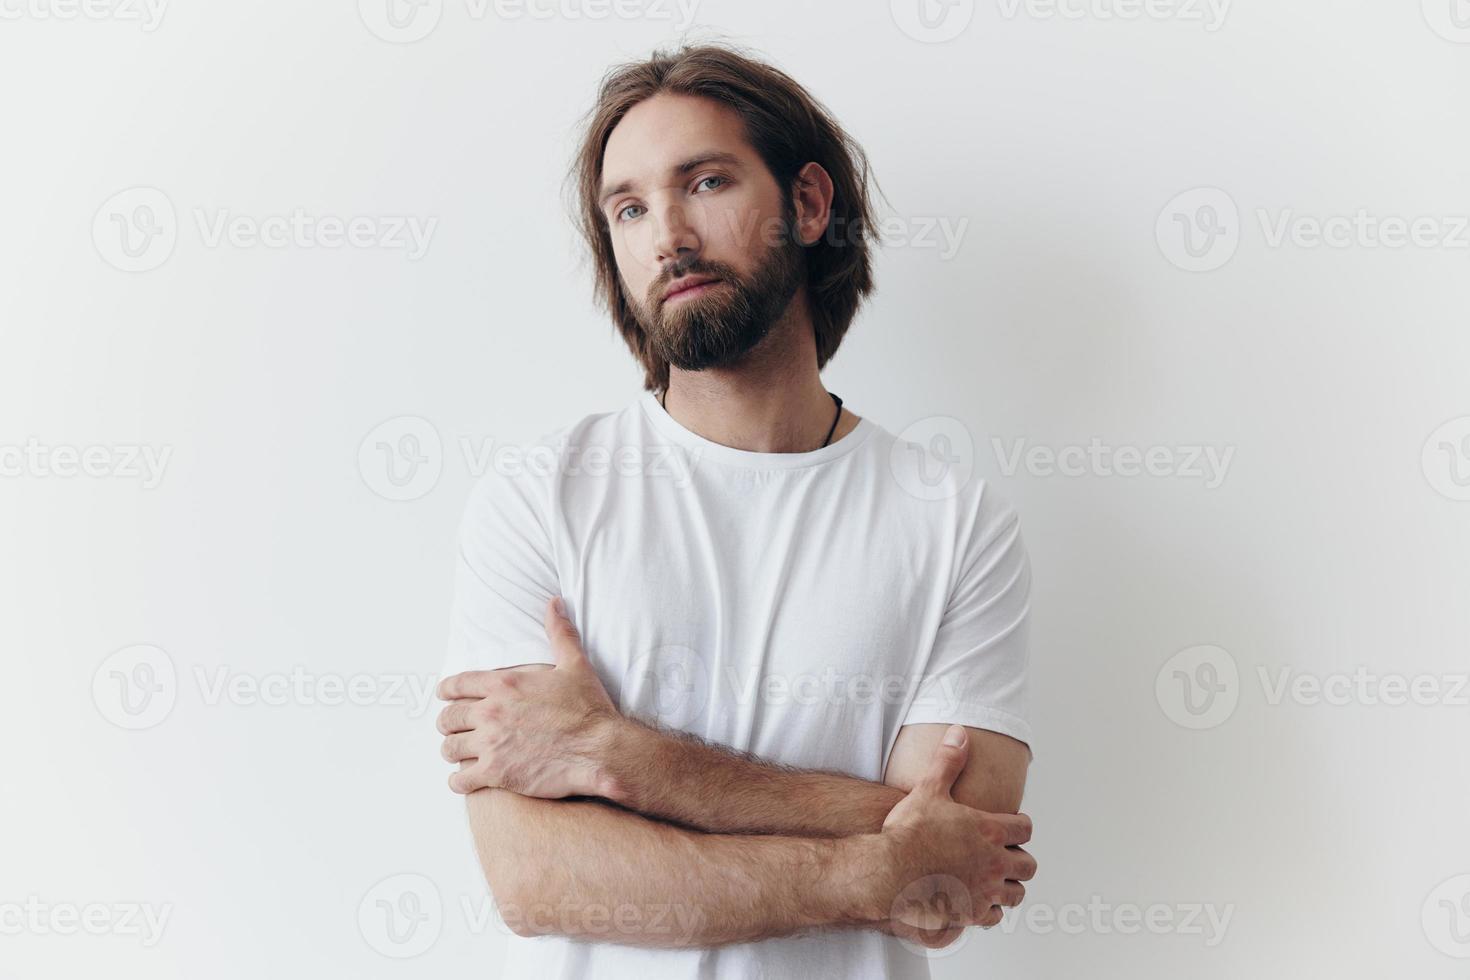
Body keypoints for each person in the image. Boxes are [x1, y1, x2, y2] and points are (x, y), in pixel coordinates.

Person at [435, 42, 1036, 980]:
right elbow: (538, 880)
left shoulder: (952, 519)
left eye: (705, 182)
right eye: (628, 208)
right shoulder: (539, 497)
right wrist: (870, 864)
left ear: (806, 204)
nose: (667, 234)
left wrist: (617, 755)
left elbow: (956, 872)